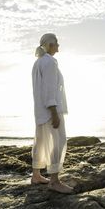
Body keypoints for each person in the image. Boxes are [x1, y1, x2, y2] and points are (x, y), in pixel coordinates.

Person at [30, 33, 74, 194]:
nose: (58, 46)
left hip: (40, 110)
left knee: (41, 141)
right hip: (50, 110)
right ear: (49, 45)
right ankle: (54, 181)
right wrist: (54, 111)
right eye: (56, 43)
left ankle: (36, 175)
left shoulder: (38, 62)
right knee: (58, 142)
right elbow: (49, 88)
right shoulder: (49, 62)